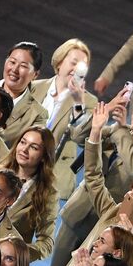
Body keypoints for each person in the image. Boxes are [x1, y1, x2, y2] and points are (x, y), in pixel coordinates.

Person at [46, 95, 133, 266]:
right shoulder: (117, 131)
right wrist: (100, 119)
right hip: (79, 211)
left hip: (108, 223)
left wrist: (120, 131)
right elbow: (80, 136)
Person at [36, 38, 99, 202]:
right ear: (59, 62)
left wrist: (78, 103)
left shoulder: (89, 102)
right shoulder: (34, 88)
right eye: (73, 62)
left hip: (52, 184)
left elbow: (81, 137)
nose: (77, 69)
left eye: (82, 65)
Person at [0, 127, 59, 260]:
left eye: (33, 147)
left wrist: (15, 252)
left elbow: (46, 243)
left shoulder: (47, 193)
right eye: (23, 142)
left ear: (43, 156)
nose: (24, 149)